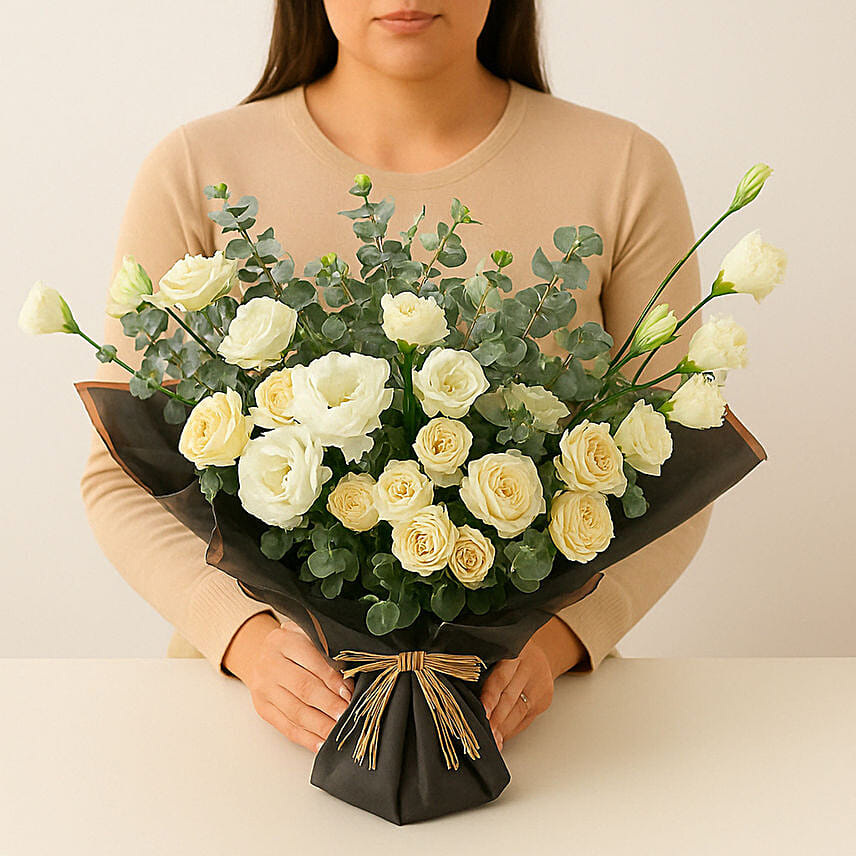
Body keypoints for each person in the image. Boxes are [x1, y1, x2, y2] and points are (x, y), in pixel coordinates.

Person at [81, 0, 712, 757]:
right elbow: (123, 473)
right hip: (253, 728)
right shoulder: (199, 169)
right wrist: (243, 637)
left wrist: (557, 642)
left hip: (540, 731)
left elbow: (675, 467)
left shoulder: (621, 168)